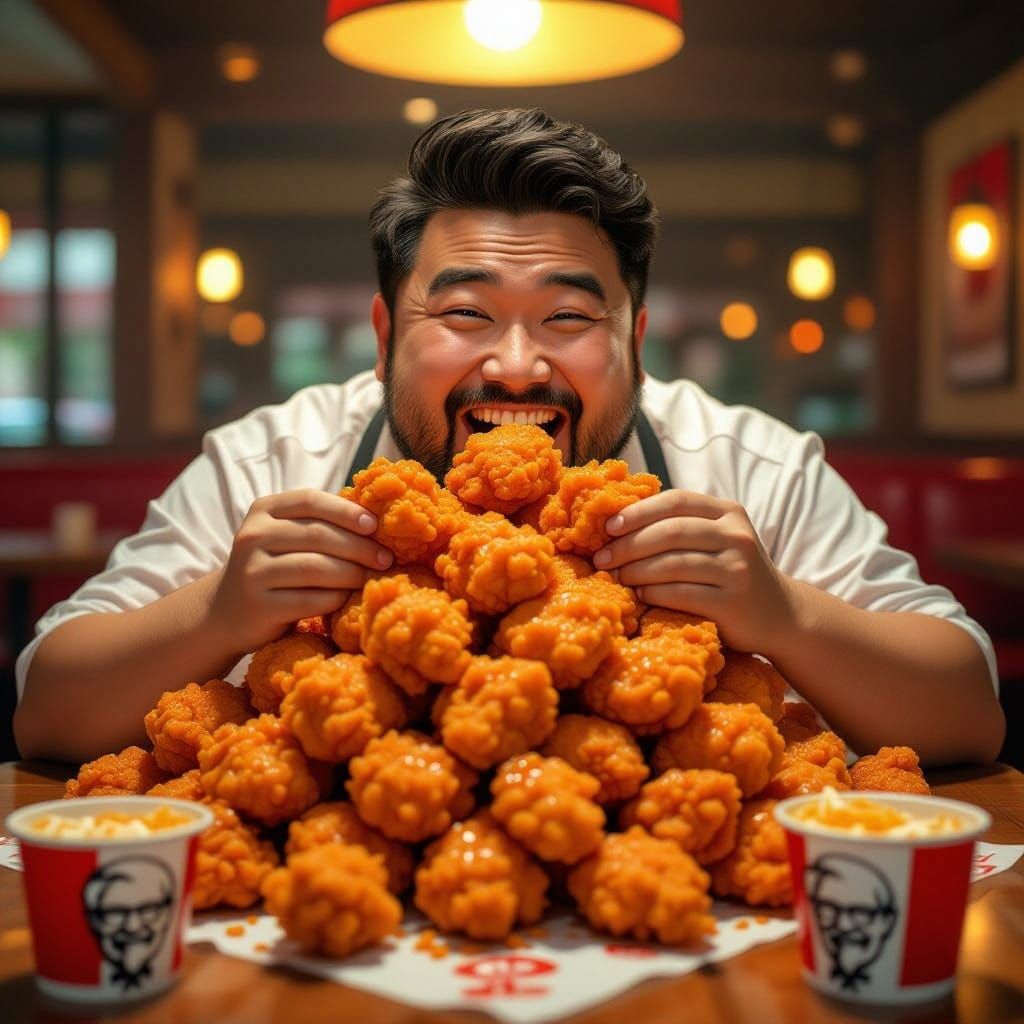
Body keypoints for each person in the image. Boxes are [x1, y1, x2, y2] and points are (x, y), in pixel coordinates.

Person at [14, 108, 1004, 766]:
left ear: (637, 337)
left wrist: (783, 614)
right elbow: (46, 710)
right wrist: (215, 613)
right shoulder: (270, 462)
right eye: (467, 316)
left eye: (569, 320)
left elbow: (968, 711)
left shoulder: (753, 467)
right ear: (383, 333)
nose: (520, 365)